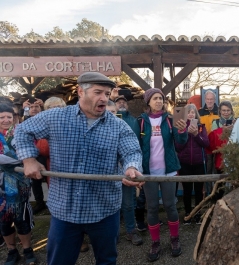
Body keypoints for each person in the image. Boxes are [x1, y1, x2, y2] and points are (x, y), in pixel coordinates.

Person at [14, 72, 143, 265]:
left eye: (107, 94)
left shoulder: (118, 126)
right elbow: (22, 131)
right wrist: (29, 159)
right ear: (80, 91)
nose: (104, 98)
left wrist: (132, 168)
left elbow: (132, 151)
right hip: (65, 211)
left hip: (104, 210)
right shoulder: (55, 117)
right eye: (98, 92)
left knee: (107, 260)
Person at [139, 88, 187, 262]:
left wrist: (182, 132)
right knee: (151, 207)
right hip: (148, 172)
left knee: (170, 205)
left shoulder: (169, 120)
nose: (159, 101)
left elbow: (180, 144)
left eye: (161, 98)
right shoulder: (141, 122)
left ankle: (174, 239)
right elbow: (137, 145)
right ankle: (155, 242)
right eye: (155, 98)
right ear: (148, 102)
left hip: (169, 170)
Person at [0, 104, 37, 265]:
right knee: (4, 219)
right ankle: (11, 250)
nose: (6, 120)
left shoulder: (21, 132)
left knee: (21, 218)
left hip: (20, 183)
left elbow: (31, 151)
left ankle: (28, 249)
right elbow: (20, 156)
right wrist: (17, 158)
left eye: (9, 116)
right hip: (1, 186)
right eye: (2, 117)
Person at [110, 93, 144, 245]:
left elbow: (136, 145)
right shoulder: (103, 122)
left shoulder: (134, 121)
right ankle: (113, 233)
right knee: (112, 204)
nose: (121, 104)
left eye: (124, 102)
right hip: (110, 171)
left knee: (129, 203)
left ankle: (131, 230)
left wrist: (135, 165)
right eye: (119, 102)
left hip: (127, 168)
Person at [175, 104, 209, 225]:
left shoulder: (201, 127)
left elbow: (206, 143)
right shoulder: (180, 127)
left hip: (199, 162)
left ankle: (198, 214)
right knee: (187, 190)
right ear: (185, 114)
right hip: (185, 163)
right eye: (188, 112)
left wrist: (196, 135)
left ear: (196, 114)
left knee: (199, 191)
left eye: (193, 112)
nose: (190, 114)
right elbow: (178, 147)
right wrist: (184, 133)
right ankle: (188, 213)